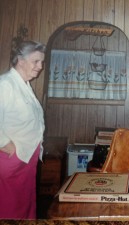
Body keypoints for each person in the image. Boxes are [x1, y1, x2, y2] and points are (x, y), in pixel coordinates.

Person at [0, 40, 46, 219]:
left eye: (41, 62)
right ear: (20, 60)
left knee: (24, 206)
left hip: (26, 157)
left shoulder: (24, 85)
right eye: (36, 61)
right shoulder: (5, 84)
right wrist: (6, 145)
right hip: (12, 157)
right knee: (9, 208)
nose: (40, 67)